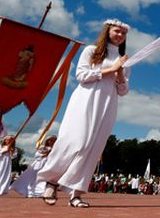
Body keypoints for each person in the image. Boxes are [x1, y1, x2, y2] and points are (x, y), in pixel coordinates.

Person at [38, 19, 130, 207]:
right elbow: (81, 76)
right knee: (76, 141)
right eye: (116, 31)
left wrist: (120, 73)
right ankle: (52, 182)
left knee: (94, 147)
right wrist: (110, 69)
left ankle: (77, 193)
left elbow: (123, 91)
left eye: (123, 33)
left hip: (107, 104)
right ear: (107, 31)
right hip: (86, 100)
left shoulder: (125, 60)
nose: (120, 35)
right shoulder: (91, 51)